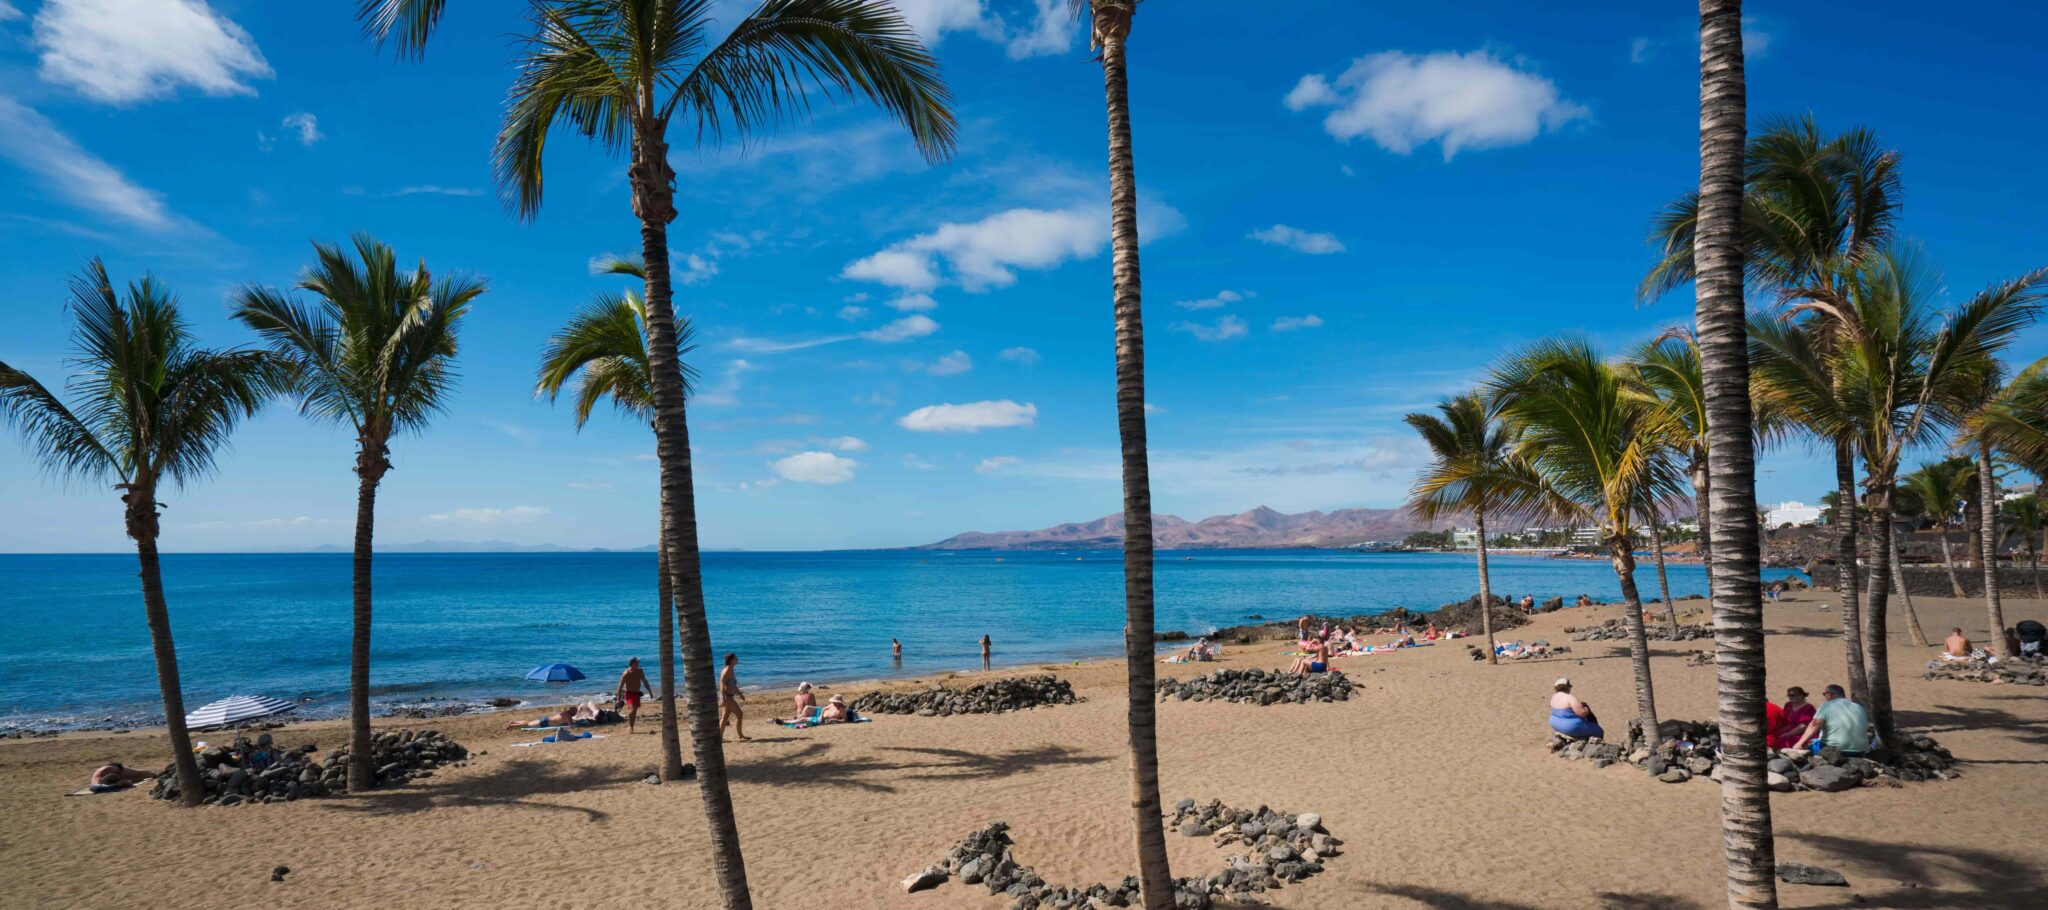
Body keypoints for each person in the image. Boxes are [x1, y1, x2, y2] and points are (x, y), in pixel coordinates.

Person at [1789, 684, 1871, 756]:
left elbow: (1814, 725)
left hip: (1836, 750)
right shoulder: (1858, 707)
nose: (1824, 697)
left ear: (1830, 695)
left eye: (1824, 694)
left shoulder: (1827, 705)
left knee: (1808, 745)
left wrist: (1800, 743)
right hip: (1861, 749)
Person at [615, 657, 653, 734]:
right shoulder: (626, 673)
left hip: (637, 694)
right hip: (629, 694)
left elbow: (645, 681)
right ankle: (631, 725)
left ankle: (631, 727)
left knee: (634, 712)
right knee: (633, 710)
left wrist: (650, 692)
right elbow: (620, 686)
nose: (639, 662)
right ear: (632, 663)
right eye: (637, 661)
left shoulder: (640, 671)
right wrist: (618, 698)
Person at [719, 653, 750, 743]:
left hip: (730, 696)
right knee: (739, 714)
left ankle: (720, 738)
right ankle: (740, 736)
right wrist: (722, 697)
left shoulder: (731, 670)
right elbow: (721, 683)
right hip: (727, 697)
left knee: (724, 717)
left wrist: (740, 694)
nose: (737, 659)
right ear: (731, 660)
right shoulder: (727, 669)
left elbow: (733, 684)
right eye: (736, 658)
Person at [89, 762, 154, 793]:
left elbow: (96, 787)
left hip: (97, 786)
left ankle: (154, 775)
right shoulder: (111, 769)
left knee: (135, 777)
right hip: (101, 784)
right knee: (131, 780)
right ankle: (154, 775)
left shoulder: (108, 770)